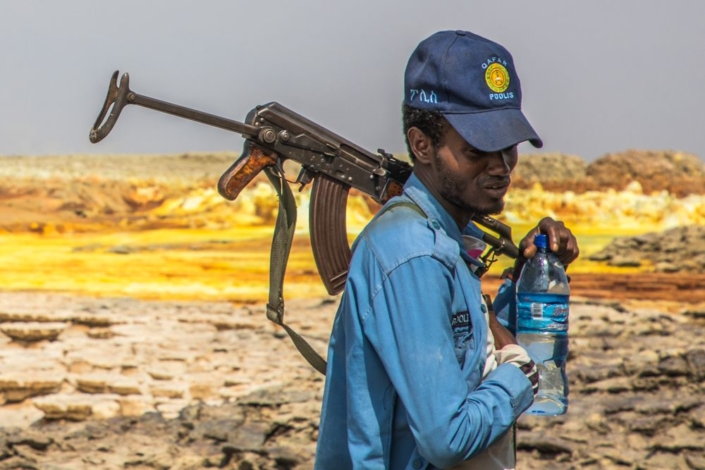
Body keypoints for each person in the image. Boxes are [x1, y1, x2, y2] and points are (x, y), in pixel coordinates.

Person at [315, 30, 580, 469]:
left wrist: (534, 279)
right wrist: (525, 374)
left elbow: (470, 359)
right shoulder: (413, 253)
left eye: (508, 146)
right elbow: (448, 437)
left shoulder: (443, 240)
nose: (501, 166)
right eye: (478, 149)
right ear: (422, 145)